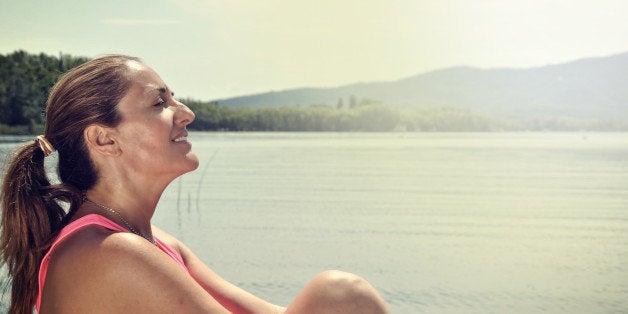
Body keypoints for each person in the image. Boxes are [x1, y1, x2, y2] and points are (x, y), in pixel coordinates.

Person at [0, 55, 390, 314]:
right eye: (160, 103)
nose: (186, 113)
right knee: (338, 292)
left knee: (341, 296)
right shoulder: (109, 252)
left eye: (175, 99)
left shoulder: (155, 243)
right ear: (104, 139)